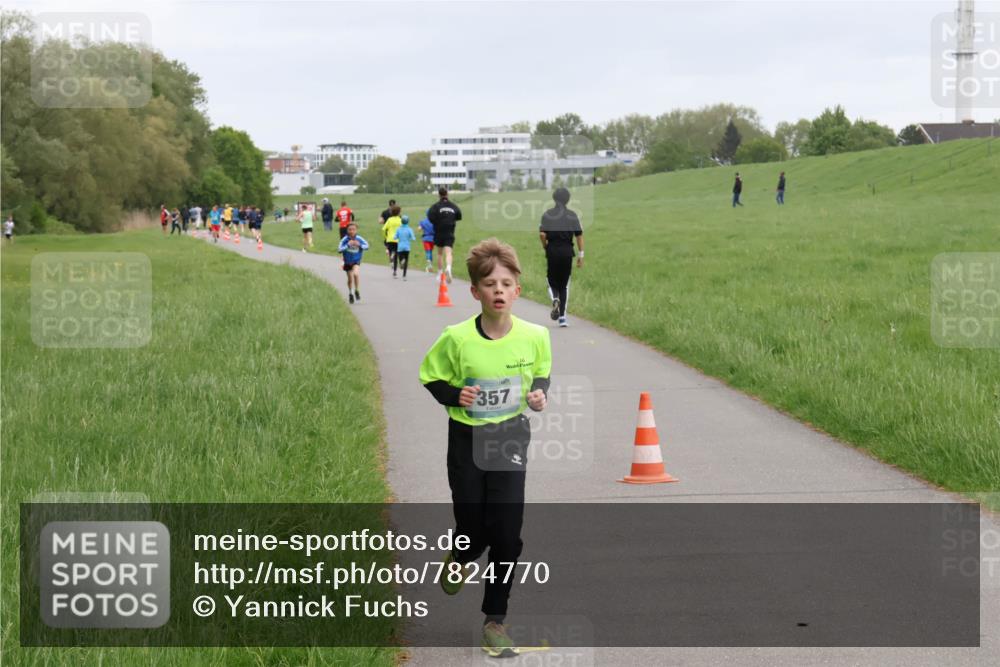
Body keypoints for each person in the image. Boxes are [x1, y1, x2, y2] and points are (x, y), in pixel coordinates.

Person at [418, 238, 551, 659]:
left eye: (506, 283)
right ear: (475, 291)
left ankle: (495, 621)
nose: (498, 290)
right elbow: (431, 377)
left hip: (510, 437)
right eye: (489, 283)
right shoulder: (456, 338)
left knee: (508, 538)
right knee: (474, 531)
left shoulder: (536, 335)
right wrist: (457, 395)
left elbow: (541, 375)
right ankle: (460, 554)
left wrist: (539, 396)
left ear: (517, 290)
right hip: (467, 443)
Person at [539, 187, 584, 328]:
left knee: (551, 281)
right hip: (567, 252)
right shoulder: (572, 215)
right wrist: (581, 254)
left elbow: (542, 234)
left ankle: (555, 299)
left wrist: (545, 246)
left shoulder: (547, 214)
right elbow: (579, 236)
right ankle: (563, 318)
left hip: (552, 251)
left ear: (554, 198)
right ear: (568, 199)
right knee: (564, 285)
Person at [427, 186, 462, 283]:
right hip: (449, 231)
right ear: (447, 194)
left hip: (439, 231)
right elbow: (459, 216)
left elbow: (430, 217)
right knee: (449, 252)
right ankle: (449, 268)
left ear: (439, 195)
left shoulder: (435, 206)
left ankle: (439, 273)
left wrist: (437, 222)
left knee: (439, 253)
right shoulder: (453, 206)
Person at [338, 222, 369, 304]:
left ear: (356, 230)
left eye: (354, 229)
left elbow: (367, 246)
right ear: (347, 230)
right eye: (350, 229)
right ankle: (351, 293)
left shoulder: (359, 238)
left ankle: (357, 290)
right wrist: (347, 245)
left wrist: (360, 245)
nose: (352, 231)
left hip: (356, 261)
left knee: (356, 274)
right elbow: (339, 249)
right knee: (350, 279)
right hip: (347, 262)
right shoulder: (344, 239)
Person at [382, 205, 403, 277]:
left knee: (392, 254)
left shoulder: (389, 220)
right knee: (398, 253)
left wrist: (385, 237)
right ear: (399, 212)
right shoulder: (400, 220)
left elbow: (383, 229)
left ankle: (392, 256)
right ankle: (398, 267)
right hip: (398, 239)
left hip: (390, 239)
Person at [395, 215, 416, 281]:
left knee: (400, 258)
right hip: (407, 247)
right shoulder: (409, 229)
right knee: (406, 261)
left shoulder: (398, 229)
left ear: (401, 221)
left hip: (400, 247)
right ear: (408, 222)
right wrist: (411, 238)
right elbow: (413, 238)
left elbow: (395, 237)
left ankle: (401, 260)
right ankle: (404, 276)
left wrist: (397, 237)